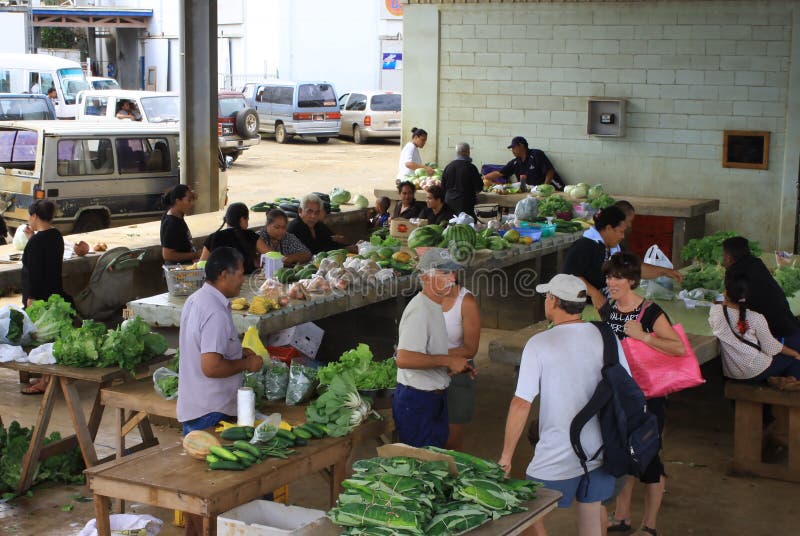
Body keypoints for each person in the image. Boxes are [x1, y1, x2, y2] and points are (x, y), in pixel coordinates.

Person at [499, 274, 630, 536]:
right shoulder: (606, 336)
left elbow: (521, 403)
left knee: (529, 513)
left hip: (557, 451)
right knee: (592, 513)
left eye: (547, 296)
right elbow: (626, 388)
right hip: (603, 447)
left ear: (554, 301)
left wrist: (506, 456)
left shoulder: (539, 343)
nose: (546, 301)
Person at [177, 246, 263, 535]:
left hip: (195, 406)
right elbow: (211, 366)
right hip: (211, 412)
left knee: (197, 491)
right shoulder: (214, 311)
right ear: (224, 275)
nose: (243, 280)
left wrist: (238, 351)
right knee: (215, 493)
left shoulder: (197, 300)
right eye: (240, 274)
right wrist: (246, 364)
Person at [600, 253, 685, 536]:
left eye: (618, 277)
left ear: (633, 281)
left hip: (649, 396)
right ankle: (622, 517)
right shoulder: (610, 309)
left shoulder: (651, 312)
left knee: (647, 456)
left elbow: (678, 348)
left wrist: (643, 336)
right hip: (620, 394)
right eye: (610, 276)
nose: (612, 282)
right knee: (622, 454)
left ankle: (649, 526)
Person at [394, 248, 474, 448]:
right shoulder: (420, 310)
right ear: (425, 277)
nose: (452, 278)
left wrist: (453, 365)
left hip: (433, 398)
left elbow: (427, 354)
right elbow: (403, 359)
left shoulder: (434, 305)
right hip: (417, 402)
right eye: (444, 272)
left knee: (435, 460)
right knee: (422, 468)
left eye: (453, 272)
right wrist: (448, 360)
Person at [709, 271, 800, 385]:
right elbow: (771, 347)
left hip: (732, 372)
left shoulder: (716, 311)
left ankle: (775, 379)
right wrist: (795, 354)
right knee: (795, 360)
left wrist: (725, 301)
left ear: (725, 293)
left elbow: (720, 307)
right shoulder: (755, 317)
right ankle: (791, 381)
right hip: (755, 370)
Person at [19, 200, 65, 395]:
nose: (29, 220)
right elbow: (44, 259)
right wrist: (32, 240)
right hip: (54, 294)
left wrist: (31, 299)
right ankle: (46, 377)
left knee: (41, 339)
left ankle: (46, 381)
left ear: (35, 216)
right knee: (51, 338)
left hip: (39, 297)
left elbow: (35, 272)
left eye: (30, 216)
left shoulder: (37, 242)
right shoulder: (56, 236)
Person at [723, 236, 800, 351]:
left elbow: (734, 306)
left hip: (780, 337)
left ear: (729, 257)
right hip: (791, 324)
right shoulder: (757, 263)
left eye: (723, 255)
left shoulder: (734, 273)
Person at [561, 206, 628, 310]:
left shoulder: (614, 248)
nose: (623, 236)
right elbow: (570, 275)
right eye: (621, 232)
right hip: (576, 307)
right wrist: (594, 294)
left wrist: (661, 271)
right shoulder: (584, 246)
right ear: (609, 228)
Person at [441, 277, 480, 451]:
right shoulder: (426, 299)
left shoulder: (466, 302)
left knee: (451, 442)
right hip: (427, 372)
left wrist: (430, 356)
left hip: (457, 375)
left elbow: (470, 349)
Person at [200, 203, 265, 275]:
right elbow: (272, 255)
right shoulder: (251, 235)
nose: (247, 223)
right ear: (242, 219)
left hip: (220, 283)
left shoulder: (213, 237)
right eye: (247, 219)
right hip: (247, 281)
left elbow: (201, 265)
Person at [482, 136, 560, 191]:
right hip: (532, 192)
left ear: (521, 146)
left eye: (514, 147)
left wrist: (545, 188)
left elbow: (550, 171)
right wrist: (484, 177)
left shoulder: (536, 154)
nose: (512, 150)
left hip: (552, 190)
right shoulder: (515, 162)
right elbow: (499, 173)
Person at [441, 142, 483, 219]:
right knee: (465, 227)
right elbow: (479, 188)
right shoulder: (471, 168)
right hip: (465, 204)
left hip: (449, 202)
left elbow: (443, 187)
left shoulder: (448, 167)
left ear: (457, 153)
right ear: (467, 152)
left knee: (450, 225)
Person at [161, 184, 200, 264]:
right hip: (177, 272)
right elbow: (167, 255)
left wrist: (190, 194)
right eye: (189, 200)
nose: (191, 204)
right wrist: (196, 255)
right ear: (178, 201)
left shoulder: (177, 214)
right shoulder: (171, 224)